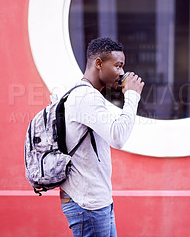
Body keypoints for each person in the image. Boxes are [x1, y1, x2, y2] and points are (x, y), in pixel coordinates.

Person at [60, 37, 144, 236]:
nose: (122, 72)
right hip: (88, 202)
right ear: (98, 63)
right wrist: (132, 96)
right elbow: (118, 137)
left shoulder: (87, 95)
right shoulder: (86, 97)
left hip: (92, 200)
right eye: (118, 65)